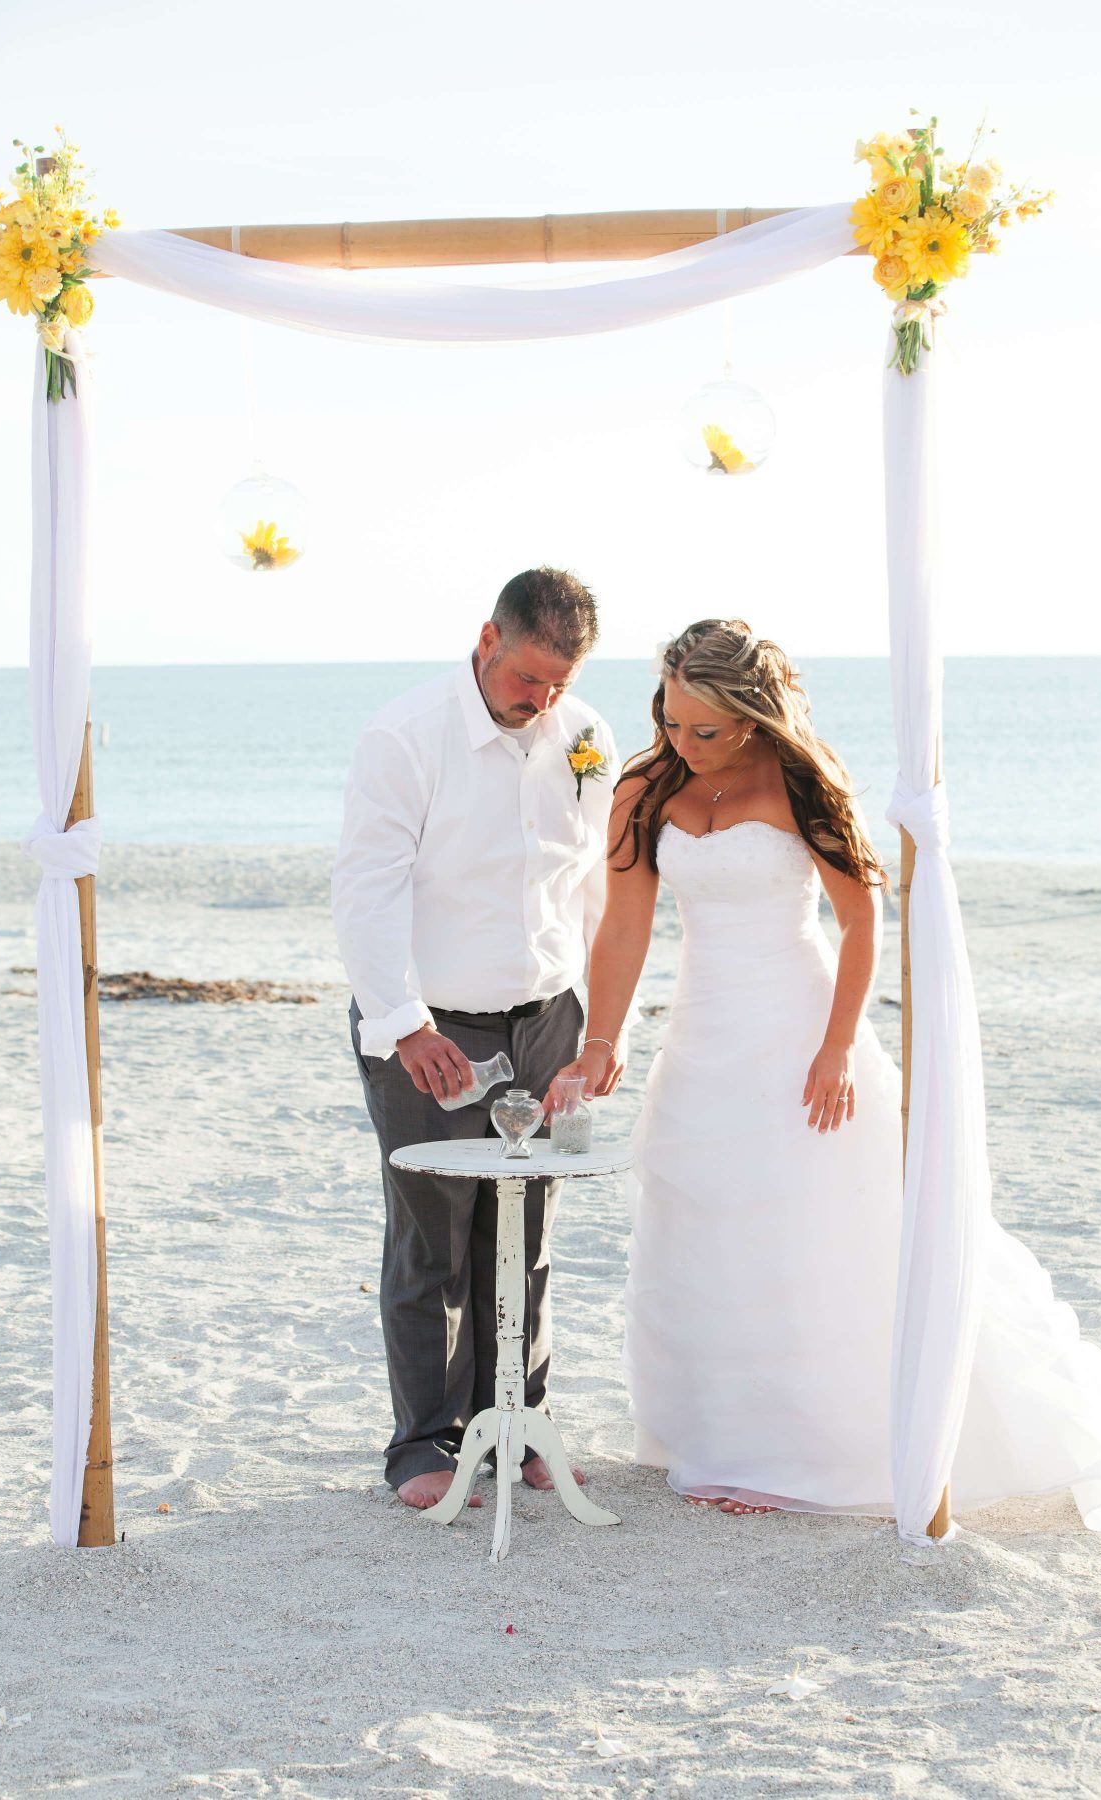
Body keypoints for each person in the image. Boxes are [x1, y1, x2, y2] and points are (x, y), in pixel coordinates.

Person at [546, 618, 1101, 1544]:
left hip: (801, 1030)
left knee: (810, 1225)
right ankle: (721, 1443)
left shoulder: (802, 781)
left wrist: (839, 1045)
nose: (683, 743)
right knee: (706, 1224)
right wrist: (601, 1039)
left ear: (755, 718)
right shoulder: (645, 787)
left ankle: (803, 1452)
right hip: (703, 1034)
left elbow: (861, 921)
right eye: (671, 720)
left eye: (705, 730)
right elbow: (622, 929)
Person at [333, 567, 629, 1511]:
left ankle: (517, 1421)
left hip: (547, 1021)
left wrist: (598, 1027)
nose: (541, 700)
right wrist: (404, 1024)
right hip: (430, 1025)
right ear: (486, 641)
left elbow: (595, 888)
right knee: (433, 1243)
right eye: (528, 677)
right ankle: (424, 1442)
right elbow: (367, 887)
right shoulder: (404, 735)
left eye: (558, 681)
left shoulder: (585, 738)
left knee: (527, 1232)